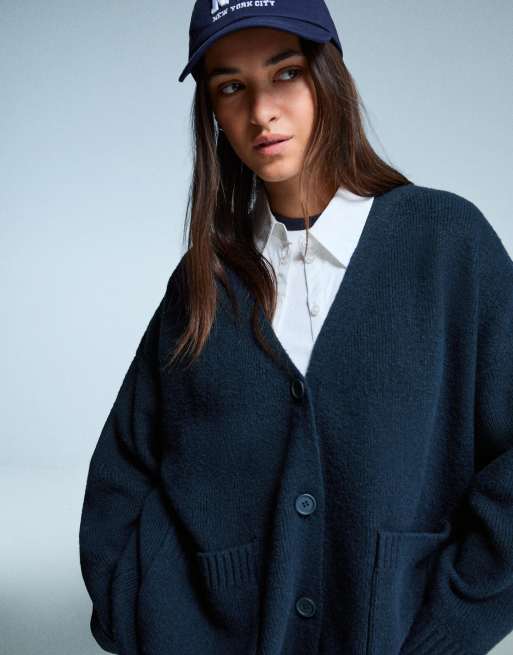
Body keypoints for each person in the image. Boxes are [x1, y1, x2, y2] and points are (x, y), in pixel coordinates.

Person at [78, 1, 513, 654]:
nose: (261, 112)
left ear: (327, 76)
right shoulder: (203, 283)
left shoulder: (446, 246)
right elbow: (123, 472)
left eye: (285, 73)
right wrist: (143, 616)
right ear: (211, 110)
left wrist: (448, 629)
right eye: (231, 87)